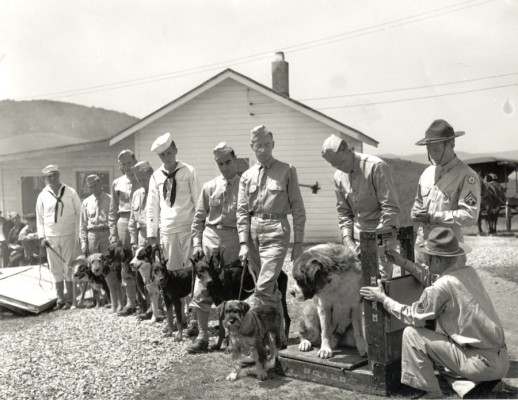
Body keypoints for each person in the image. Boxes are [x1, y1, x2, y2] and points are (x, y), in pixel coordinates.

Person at [360, 227, 509, 399]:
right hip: (501, 362)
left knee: (412, 335)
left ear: (437, 261)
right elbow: (434, 279)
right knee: (444, 350)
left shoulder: (442, 286)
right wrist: (403, 263)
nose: (425, 260)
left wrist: (382, 298)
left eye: (427, 257)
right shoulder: (468, 273)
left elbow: (413, 316)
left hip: (479, 363)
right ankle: (479, 384)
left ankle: (432, 393)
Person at [237, 124, 306, 339]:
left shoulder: (287, 170)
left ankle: (259, 337)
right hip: (254, 233)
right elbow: (241, 212)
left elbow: (298, 209)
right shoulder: (246, 176)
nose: (263, 150)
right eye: (259, 146)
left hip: (277, 230)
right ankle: (279, 337)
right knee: (272, 289)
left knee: (263, 288)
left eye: (267, 145)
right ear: (252, 147)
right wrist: (242, 243)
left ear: (273, 145)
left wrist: (298, 243)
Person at [321, 134, 400, 279]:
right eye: (335, 165)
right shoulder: (339, 176)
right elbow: (344, 213)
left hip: (383, 235)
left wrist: (373, 240)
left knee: (381, 283)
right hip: (358, 239)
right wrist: (348, 240)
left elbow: (390, 208)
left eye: (341, 163)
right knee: (360, 283)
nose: (340, 168)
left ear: (346, 149)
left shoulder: (376, 167)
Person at [188, 142, 241, 354]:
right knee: (202, 289)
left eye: (228, 162)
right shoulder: (209, 187)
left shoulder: (245, 186)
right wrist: (197, 244)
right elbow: (198, 219)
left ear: (234, 160)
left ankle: (231, 335)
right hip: (210, 240)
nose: (225, 167)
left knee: (229, 290)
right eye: (220, 164)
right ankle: (203, 336)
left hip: (233, 240)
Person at [147, 132, 200, 328]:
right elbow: (152, 207)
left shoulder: (188, 171)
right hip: (167, 231)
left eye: (169, 153)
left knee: (190, 272)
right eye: (162, 155)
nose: (166, 158)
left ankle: (193, 314)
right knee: (171, 273)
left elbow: (198, 202)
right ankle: (178, 318)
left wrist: (198, 231)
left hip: (187, 228)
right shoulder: (155, 176)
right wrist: (152, 234)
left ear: (175, 150)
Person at [411, 119, 480, 265]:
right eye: (429, 150)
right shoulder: (427, 173)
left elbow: (470, 215)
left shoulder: (466, 176)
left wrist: (433, 217)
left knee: (447, 286)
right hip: (422, 246)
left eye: (436, 150)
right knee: (419, 286)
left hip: (448, 249)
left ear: (451, 144)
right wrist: (415, 212)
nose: (432, 155)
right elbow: (418, 203)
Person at [36, 165, 82, 310]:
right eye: (49, 176)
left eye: (54, 175)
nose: (52, 178)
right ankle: (60, 299)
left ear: (59, 175)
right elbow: (40, 218)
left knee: (68, 266)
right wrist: (42, 237)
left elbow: (80, 214)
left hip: (69, 234)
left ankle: (70, 299)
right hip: (50, 237)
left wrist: (80, 234)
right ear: (45, 178)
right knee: (55, 268)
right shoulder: (42, 195)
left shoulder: (70, 192)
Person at [128, 161, 164, 322]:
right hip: (142, 238)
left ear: (151, 175)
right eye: (139, 179)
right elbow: (132, 220)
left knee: (160, 272)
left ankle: (164, 308)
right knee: (145, 277)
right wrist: (133, 240)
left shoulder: (160, 191)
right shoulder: (137, 194)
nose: (142, 182)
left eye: (144, 178)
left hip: (158, 237)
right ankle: (152, 308)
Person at [109, 149, 141, 316]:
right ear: (120, 166)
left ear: (135, 162)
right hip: (123, 221)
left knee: (143, 261)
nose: (128, 167)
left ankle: (149, 303)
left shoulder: (142, 179)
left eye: (130, 163)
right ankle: (131, 302)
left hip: (139, 221)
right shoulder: (117, 183)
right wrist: (113, 234)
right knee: (126, 263)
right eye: (124, 164)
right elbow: (112, 211)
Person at [79, 175, 111, 256]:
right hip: (92, 236)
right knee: (94, 263)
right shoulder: (86, 202)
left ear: (100, 184)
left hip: (107, 235)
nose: (93, 189)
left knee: (108, 261)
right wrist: (83, 242)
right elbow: (83, 224)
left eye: (95, 185)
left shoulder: (110, 199)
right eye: (91, 187)